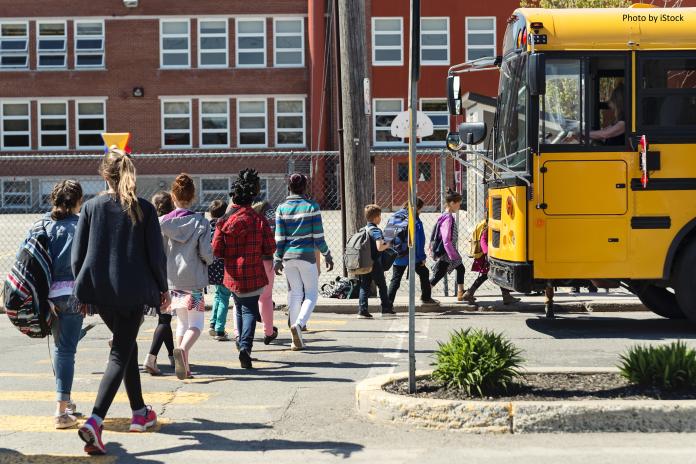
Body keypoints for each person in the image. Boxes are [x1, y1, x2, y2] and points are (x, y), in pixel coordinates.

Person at [72, 148, 169, 455]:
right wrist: (163, 289)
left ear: (104, 175)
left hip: (101, 292)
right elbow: (156, 255)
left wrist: (83, 290)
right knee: (119, 352)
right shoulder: (144, 208)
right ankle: (95, 420)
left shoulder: (91, 207)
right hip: (134, 291)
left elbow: (78, 255)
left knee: (126, 345)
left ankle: (139, 412)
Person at [213, 169, 275, 368]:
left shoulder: (225, 221)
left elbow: (216, 249)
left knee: (239, 306)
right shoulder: (258, 220)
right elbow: (270, 247)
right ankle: (245, 348)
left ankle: (241, 342)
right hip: (253, 272)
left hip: (232, 274)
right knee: (248, 309)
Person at [160, 174, 214, 380]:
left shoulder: (163, 222)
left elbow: (160, 251)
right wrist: (209, 260)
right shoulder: (201, 222)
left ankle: (185, 366)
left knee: (182, 322)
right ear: (193, 197)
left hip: (173, 280)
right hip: (195, 280)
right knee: (197, 324)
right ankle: (182, 352)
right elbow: (206, 253)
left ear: (173, 196)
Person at [41, 180, 85, 429]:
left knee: (61, 348)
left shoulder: (43, 224)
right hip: (73, 294)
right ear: (78, 201)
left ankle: (65, 400)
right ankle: (60, 411)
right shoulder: (81, 226)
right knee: (66, 350)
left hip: (48, 295)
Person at [274, 173, 333, 350]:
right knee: (312, 294)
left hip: (288, 258)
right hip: (307, 256)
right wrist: (327, 254)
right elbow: (318, 237)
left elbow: (279, 238)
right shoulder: (312, 207)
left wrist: (277, 259)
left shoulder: (281, 208)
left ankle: (294, 340)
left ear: (288, 187)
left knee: (295, 294)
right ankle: (298, 325)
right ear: (305, 187)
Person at [143, 191, 176, 375]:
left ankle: (172, 355)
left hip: (149, 275)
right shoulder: (170, 224)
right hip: (167, 276)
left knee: (166, 319)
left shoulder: (150, 223)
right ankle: (151, 357)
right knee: (165, 318)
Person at [387, 198, 439, 307]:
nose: (421, 211)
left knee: (395, 280)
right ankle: (426, 298)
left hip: (398, 254)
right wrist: (422, 257)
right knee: (424, 273)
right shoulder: (415, 220)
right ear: (417, 208)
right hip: (413, 256)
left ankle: (387, 304)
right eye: (421, 209)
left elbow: (388, 235)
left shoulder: (396, 216)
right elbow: (419, 241)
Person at [461, 218, 521, 305]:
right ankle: (506, 296)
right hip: (488, 256)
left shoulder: (491, 224)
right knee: (496, 274)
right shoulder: (490, 226)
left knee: (494, 274)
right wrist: (487, 254)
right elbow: (483, 240)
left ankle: (469, 293)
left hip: (490, 255)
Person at [357, 204, 395, 319]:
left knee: (364, 286)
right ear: (376, 218)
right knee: (382, 286)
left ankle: (362, 311)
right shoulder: (375, 230)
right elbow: (379, 247)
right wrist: (388, 244)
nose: (381, 218)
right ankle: (386, 309)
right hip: (375, 263)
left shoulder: (364, 229)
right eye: (380, 216)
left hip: (365, 263)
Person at [429, 189, 466, 301]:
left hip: (448, 250)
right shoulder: (448, 218)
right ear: (452, 203)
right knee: (439, 274)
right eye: (458, 203)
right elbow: (446, 239)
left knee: (460, 268)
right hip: (448, 251)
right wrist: (452, 254)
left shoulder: (445, 216)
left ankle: (461, 293)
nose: (459, 206)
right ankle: (425, 294)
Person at [253, 199, 279, 345]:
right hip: (267, 261)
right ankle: (268, 331)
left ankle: (239, 335)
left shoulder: (251, 222)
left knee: (241, 301)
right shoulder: (269, 224)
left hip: (251, 262)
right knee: (266, 298)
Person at [207, 199, 232, 342]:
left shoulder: (208, 227)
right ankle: (220, 329)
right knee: (224, 297)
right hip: (224, 266)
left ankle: (213, 322)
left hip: (212, 267)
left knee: (218, 293)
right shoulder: (224, 226)